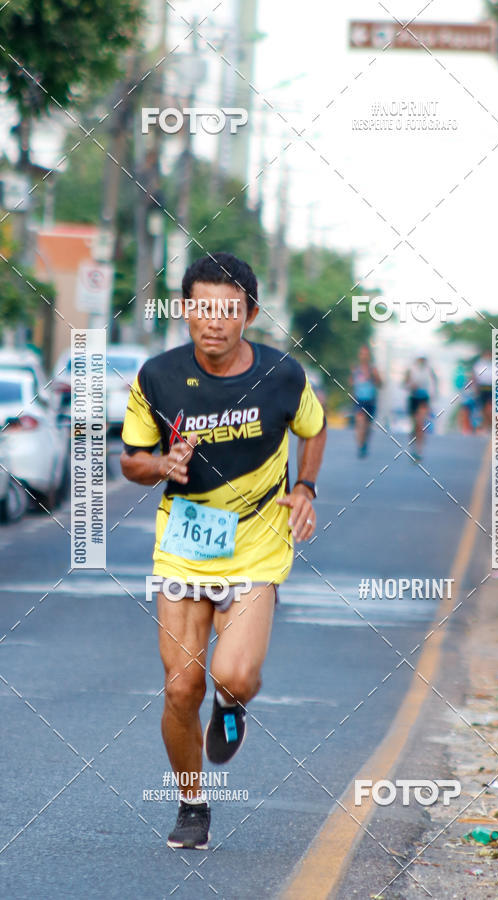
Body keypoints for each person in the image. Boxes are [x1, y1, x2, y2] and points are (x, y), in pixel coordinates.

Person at [120, 252, 326, 850]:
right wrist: (160, 464)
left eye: (228, 311)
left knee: (233, 677)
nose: (214, 322)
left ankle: (232, 707)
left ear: (250, 315)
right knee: (182, 687)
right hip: (183, 547)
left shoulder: (283, 377)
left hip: (257, 544)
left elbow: (313, 429)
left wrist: (305, 487)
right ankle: (191, 802)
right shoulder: (155, 377)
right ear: (186, 310)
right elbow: (131, 460)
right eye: (202, 307)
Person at [405, 356, 438, 462]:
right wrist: (410, 385)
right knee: (415, 425)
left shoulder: (429, 370)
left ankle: (419, 450)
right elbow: (404, 383)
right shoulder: (411, 370)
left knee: (420, 424)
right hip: (413, 398)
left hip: (424, 398)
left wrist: (434, 394)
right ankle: (414, 444)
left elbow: (435, 381)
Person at [351, 344, 382, 457]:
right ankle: (360, 445)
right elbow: (351, 382)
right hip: (359, 400)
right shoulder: (356, 368)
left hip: (370, 400)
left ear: (369, 356)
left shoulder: (373, 369)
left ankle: (364, 443)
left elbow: (380, 384)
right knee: (360, 422)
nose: (364, 356)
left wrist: (374, 377)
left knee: (367, 426)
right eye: (362, 354)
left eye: (366, 354)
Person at [473, 348, 493, 431]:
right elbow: (475, 377)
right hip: (482, 388)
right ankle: (486, 424)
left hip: (492, 388)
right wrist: (475, 388)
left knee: (490, 408)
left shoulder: (496, 365)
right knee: (483, 408)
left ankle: (491, 424)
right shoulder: (480, 364)